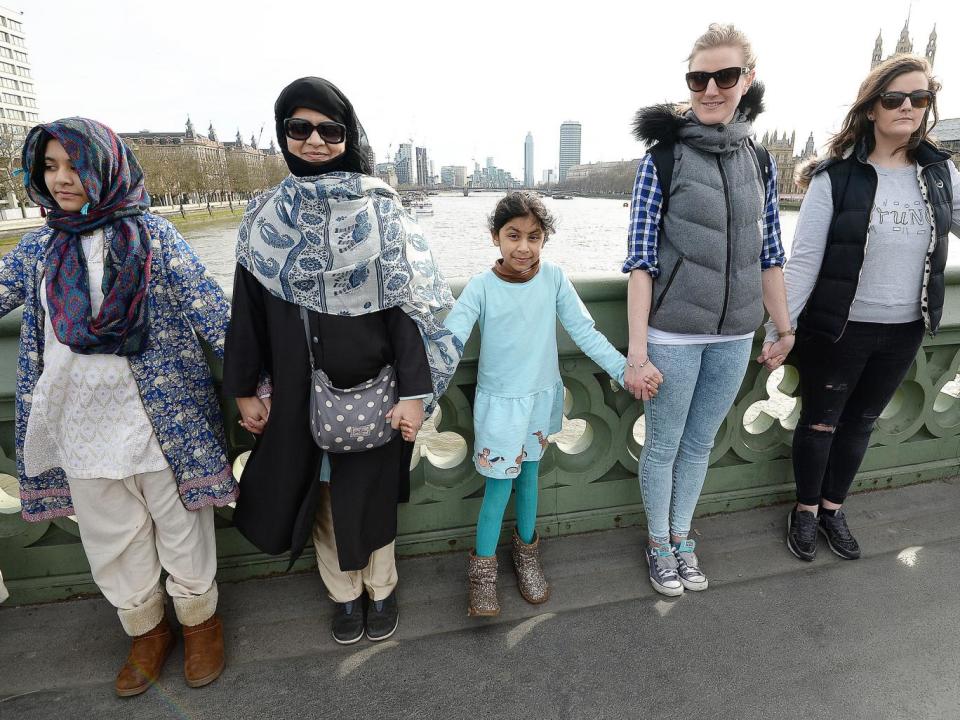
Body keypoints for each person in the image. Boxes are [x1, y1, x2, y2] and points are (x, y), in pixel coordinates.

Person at [2, 118, 235, 696]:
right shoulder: (37, 248)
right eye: (49, 167)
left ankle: (201, 623)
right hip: (76, 420)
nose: (61, 179)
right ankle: (146, 631)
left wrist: (257, 384)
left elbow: (212, 312)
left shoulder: (154, 235)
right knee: (112, 534)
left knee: (181, 525)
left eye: (74, 165)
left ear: (105, 167)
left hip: (159, 415)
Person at [223, 77, 458, 645]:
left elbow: (405, 307)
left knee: (371, 494)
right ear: (283, 135)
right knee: (322, 497)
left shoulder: (379, 208)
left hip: (372, 387)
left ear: (348, 136)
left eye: (330, 130)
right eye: (299, 129)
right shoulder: (264, 216)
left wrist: (412, 392)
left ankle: (383, 588)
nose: (314, 141)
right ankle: (344, 596)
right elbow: (247, 310)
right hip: (299, 391)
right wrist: (245, 388)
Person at [623, 23, 792, 596]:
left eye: (724, 76)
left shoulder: (763, 164)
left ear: (746, 81)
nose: (710, 88)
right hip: (673, 334)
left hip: (734, 336)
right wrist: (638, 350)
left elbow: (771, 255)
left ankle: (682, 535)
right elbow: (640, 262)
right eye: (699, 77)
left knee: (699, 445)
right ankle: (657, 542)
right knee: (665, 444)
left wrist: (782, 326)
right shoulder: (662, 160)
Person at [776, 55, 958, 562]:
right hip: (839, 327)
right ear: (872, 106)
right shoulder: (835, 176)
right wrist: (782, 328)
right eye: (895, 98)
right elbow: (804, 260)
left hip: (904, 328)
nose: (907, 107)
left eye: (919, 99)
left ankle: (834, 508)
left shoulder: (941, 174)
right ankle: (806, 511)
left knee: (862, 424)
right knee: (820, 423)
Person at [443, 191, 627, 617]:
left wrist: (623, 369)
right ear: (495, 238)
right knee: (497, 487)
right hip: (501, 406)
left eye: (534, 237)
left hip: (540, 400)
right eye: (513, 235)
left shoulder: (555, 279)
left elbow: (585, 331)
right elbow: (448, 343)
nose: (523, 247)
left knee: (529, 479)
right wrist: (418, 397)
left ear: (544, 240)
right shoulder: (481, 286)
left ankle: (527, 556)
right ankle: (482, 573)